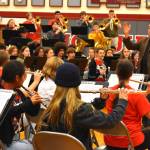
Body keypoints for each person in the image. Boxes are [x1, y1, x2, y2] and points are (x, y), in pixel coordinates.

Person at [37, 62, 128, 150]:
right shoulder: (81, 110)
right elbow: (110, 121)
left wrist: (101, 100)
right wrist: (122, 101)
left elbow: (84, 112)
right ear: (77, 84)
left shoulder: (51, 108)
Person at [104, 59, 150, 150]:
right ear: (131, 74)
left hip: (110, 141)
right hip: (131, 143)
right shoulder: (136, 95)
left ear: (117, 73)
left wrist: (146, 93)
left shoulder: (109, 92)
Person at [0, 60, 42, 150]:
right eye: (24, 76)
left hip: (21, 136)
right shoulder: (2, 92)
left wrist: (36, 102)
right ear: (17, 78)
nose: (25, 79)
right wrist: (29, 103)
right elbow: (6, 112)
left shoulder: (17, 91)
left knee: (43, 143)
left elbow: (32, 113)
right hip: (7, 141)